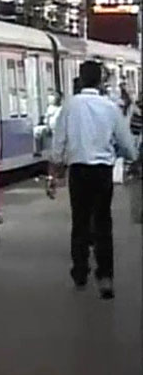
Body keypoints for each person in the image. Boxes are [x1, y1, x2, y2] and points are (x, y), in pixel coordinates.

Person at [52, 61, 138, 299]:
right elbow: (125, 141)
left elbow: (59, 140)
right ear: (100, 80)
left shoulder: (69, 106)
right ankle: (106, 276)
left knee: (79, 221)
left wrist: (56, 168)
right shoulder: (109, 107)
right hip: (102, 171)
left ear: (80, 78)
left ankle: (80, 272)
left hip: (78, 170)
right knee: (103, 222)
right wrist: (131, 156)